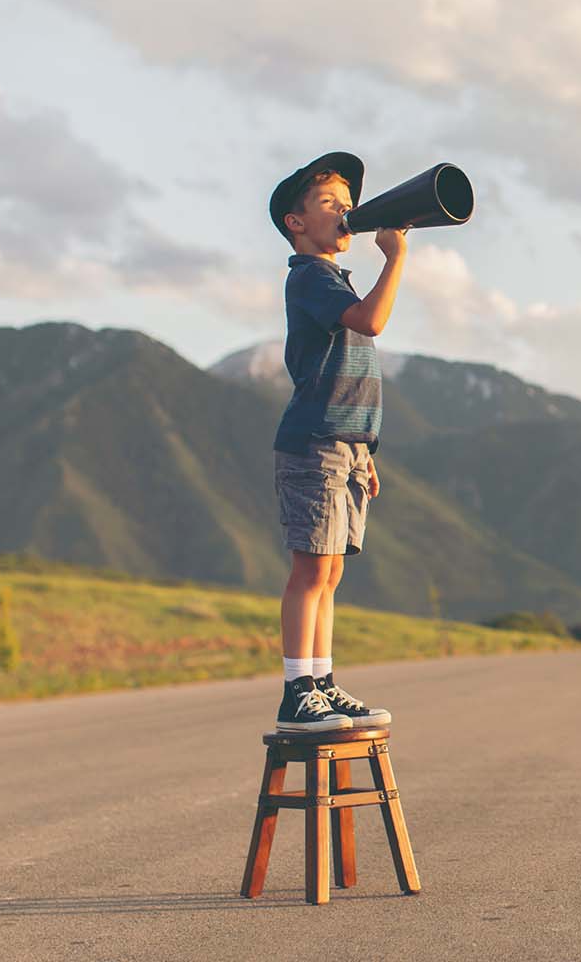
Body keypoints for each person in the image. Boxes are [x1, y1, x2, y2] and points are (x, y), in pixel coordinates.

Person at [266, 151, 402, 732]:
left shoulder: (331, 278)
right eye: (330, 203)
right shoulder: (312, 277)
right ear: (296, 223)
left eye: (349, 205)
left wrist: (364, 451)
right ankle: (298, 691)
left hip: (346, 446)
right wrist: (396, 259)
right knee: (310, 570)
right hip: (315, 443)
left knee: (331, 573)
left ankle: (320, 680)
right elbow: (371, 322)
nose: (346, 212)